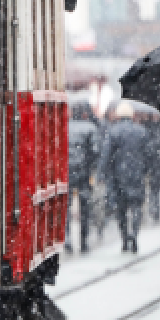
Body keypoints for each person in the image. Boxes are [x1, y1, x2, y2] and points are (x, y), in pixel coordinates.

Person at [97, 101, 149, 253]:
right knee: (137, 206)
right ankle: (135, 234)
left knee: (121, 210)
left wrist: (101, 173)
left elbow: (106, 155)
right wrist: (146, 170)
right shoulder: (142, 131)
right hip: (137, 175)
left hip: (118, 176)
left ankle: (125, 238)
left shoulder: (113, 132)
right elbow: (148, 154)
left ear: (118, 115)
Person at [67, 102, 100, 252]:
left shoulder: (65, 127)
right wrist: (90, 166)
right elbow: (95, 151)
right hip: (84, 174)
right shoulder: (90, 128)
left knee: (66, 207)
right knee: (85, 208)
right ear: (85, 113)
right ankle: (83, 240)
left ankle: (67, 238)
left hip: (67, 173)